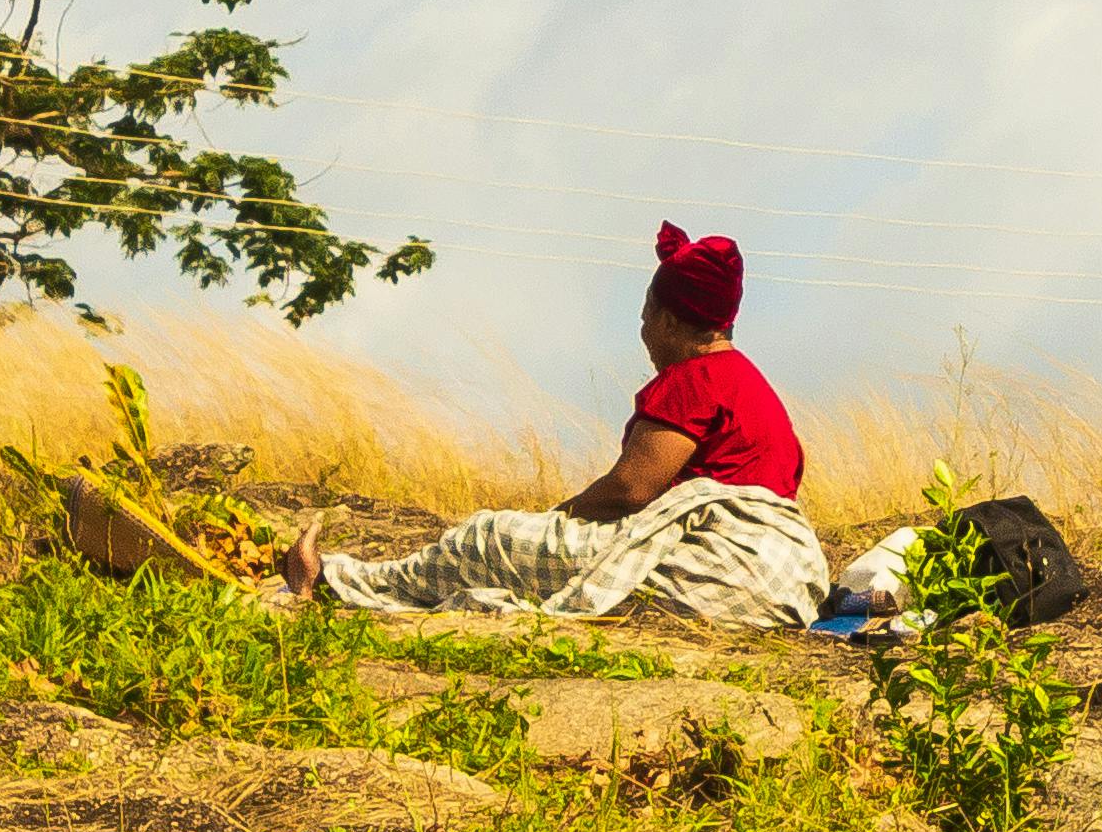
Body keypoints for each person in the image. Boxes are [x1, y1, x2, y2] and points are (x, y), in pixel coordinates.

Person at [271, 224, 829, 627]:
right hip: (781, 573)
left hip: (716, 561)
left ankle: (332, 579)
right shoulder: (751, 383)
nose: (643, 334)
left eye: (644, 318)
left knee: (488, 539)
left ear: (666, 319)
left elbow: (633, 488)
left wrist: (565, 514)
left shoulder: (692, 379)